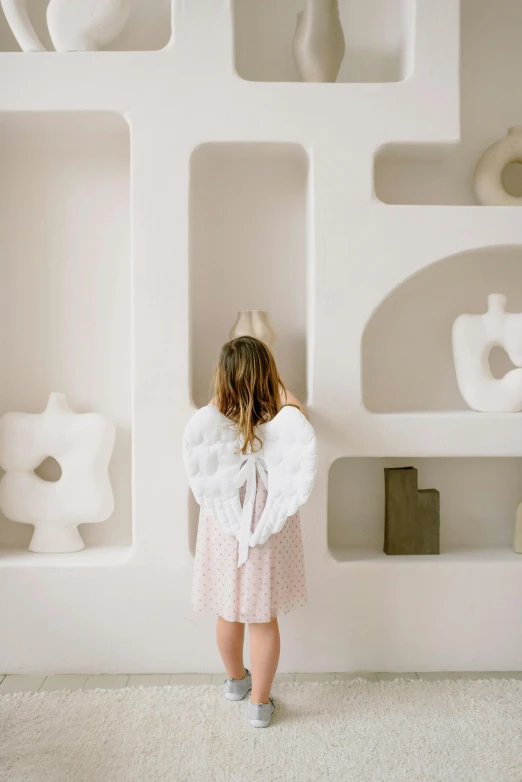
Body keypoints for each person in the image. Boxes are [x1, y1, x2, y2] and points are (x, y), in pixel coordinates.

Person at [190, 336, 310, 728]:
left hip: (226, 522)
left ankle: (235, 681)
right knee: (262, 617)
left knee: (229, 610)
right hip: (265, 523)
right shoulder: (284, 419)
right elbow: (297, 410)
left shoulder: (213, 420)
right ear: (269, 375)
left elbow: (207, 422)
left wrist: (226, 392)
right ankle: (260, 704)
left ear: (223, 380)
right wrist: (276, 388)